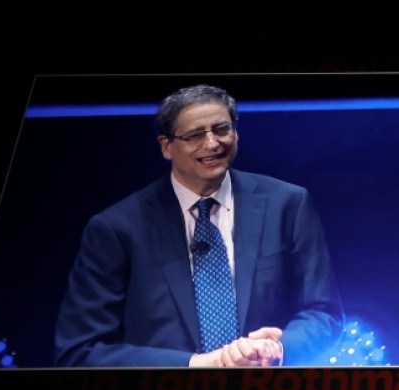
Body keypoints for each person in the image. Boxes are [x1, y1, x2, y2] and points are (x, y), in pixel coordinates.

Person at [53, 83, 344, 367]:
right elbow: (80, 351)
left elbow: (324, 314)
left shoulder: (287, 204)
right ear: (166, 146)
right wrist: (196, 365)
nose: (212, 143)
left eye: (222, 129)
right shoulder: (116, 228)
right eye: (194, 135)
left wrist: (277, 348)